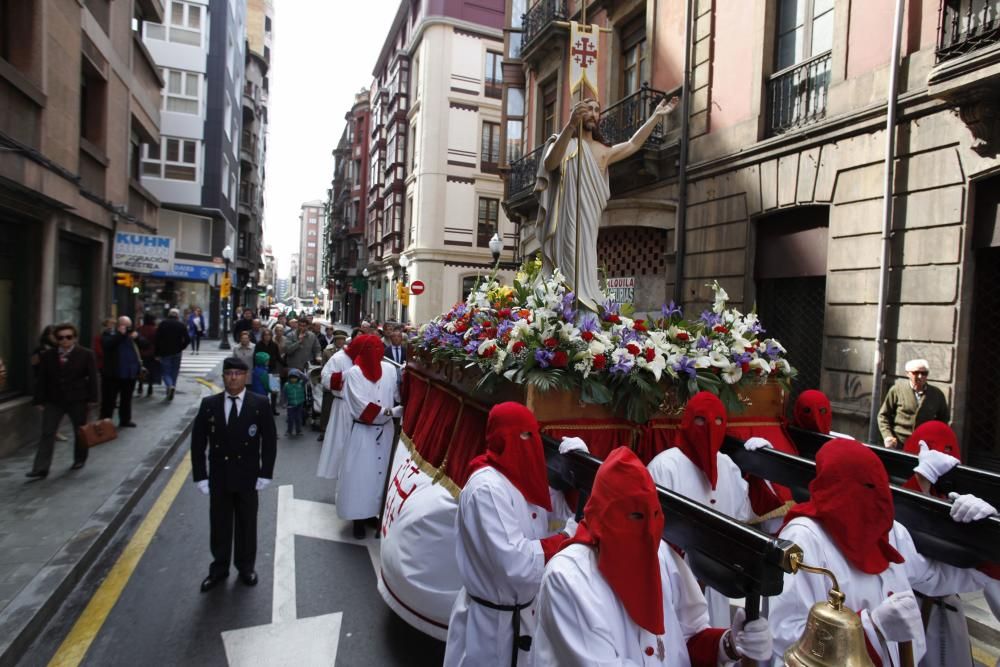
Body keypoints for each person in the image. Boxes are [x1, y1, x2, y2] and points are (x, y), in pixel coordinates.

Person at [534, 447, 773, 666]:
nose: (649, 531)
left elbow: (690, 638)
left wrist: (730, 643)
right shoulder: (568, 578)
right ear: (604, 515)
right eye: (636, 516)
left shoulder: (662, 556)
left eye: (655, 514)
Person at [769, 438, 997, 666]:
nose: (878, 497)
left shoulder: (888, 529)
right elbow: (785, 633)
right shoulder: (804, 539)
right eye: (867, 486)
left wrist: (988, 539)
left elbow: (933, 577)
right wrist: (871, 628)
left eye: (880, 485)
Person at [443, 402, 580, 667]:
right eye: (525, 435)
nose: (532, 442)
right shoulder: (487, 489)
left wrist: (576, 472)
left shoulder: (518, 475)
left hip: (524, 616)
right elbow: (515, 563)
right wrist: (567, 537)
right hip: (491, 626)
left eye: (534, 434)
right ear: (503, 439)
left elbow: (558, 508)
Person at [536, 94, 679, 311]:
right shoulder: (564, 143)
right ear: (577, 112)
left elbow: (633, 144)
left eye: (597, 110)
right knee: (569, 260)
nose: (593, 114)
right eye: (588, 108)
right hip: (568, 218)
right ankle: (566, 309)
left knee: (587, 259)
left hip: (590, 220)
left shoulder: (603, 151)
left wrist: (655, 118)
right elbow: (550, 162)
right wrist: (570, 125)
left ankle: (586, 307)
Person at [646, 391, 754, 625]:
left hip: (718, 579)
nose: (709, 429)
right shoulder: (664, 467)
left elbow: (741, 516)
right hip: (676, 580)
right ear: (687, 422)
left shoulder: (728, 467)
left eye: (717, 422)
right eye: (700, 421)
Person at [191, 357, 276, 592]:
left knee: (247, 524)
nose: (234, 378)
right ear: (223, 377)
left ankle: (246, 566)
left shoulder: (259, 403)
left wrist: (265, 472)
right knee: (220, 524)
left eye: (238, 373)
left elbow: (268, 442)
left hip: (248, 476)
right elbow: (198, 443)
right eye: (229, 373)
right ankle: (219, 568)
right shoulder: (210, 404)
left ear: (246, 377)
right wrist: (200, 476)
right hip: (219, 476)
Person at [336, 334, 400, 539]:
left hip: (386, 433)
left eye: (378, 348)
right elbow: (361, 407)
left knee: (381, 475)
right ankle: (357, 518)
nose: (376, 353)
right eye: (370, 349)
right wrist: (390, 412)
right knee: (360, 476)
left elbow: (398, 394)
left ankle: (374, 512)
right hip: (363, 432)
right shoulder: (354, 374)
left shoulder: (390, 370)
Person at [27, 323, 99, 479]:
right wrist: (39, 400)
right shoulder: (48, 356)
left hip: (78, 399)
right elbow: (42, 379)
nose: (65, 340)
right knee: (47, 433)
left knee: (79, 431)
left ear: (75, 338)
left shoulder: (86, 354)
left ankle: (79, 459)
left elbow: (93, 378)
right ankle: (40, 468)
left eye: (68, 337)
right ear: (56, 339)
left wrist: (93, 398)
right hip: (54, 400)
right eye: (61, 338)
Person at [878, 358, 950, 449]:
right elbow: (883, 416)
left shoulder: (936, 394)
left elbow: (943, 420)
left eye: (924, 373)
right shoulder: (897, 390)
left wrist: (936, 440)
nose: (920, 376)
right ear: (907, 373)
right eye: (916, 373)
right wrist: (887, 436)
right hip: (899, 444)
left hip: (924, 446)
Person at [316, 335, 356, 485]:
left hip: (358, 407)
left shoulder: (366, 358)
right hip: (342, 405)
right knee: (340, 441)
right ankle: (339, 471)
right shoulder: (339, 358)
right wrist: (347, 375)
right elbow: (326, 378)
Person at [101, 316, 143, 428]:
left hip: (130, 373)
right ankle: (105, 421)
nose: (127, 328)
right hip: (114, 373)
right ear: (119, 325)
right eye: (124, 325)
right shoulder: (110, 334)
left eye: (128, 325)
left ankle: (125, 420)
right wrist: (120, 334)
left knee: (127, 398)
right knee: (109, 399)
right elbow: (107, 345)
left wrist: (137, 337)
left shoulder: (132, 335)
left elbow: (145, 344)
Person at [155, 308, 189, 400]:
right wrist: (181, 347)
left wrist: (157, 352)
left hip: (165, 351)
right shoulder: (181, 325)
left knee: (166, 371)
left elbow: (157, 339)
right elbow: (187, 339)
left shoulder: (163, 324)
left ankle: (169, 386)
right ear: (177, 316)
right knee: (174, 371)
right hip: (177, 351)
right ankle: (172, 386)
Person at [253, 328, 282, 414]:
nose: (267, 337)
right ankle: (260, 409)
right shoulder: (258, 345)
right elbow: (255, 357)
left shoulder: (274, 345)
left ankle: (273, 409)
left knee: (274, 390)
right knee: (261, 390)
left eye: (269, 335)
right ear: (263, 336)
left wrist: (285, 365)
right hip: (262, 369)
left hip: (273, 369)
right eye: (265, 335)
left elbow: (278, 357)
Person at [136, 314, 160, 398]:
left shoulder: (140, 329)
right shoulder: (155, 330)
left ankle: (140, 386)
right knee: (151, 370)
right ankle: (150, 387)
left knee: (141, 369)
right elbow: (157, 342)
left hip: (141, 353)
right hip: (151, 353)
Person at [282, 369, 306, 436]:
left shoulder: (301, 383)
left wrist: (300, 373)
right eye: (291, 377)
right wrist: (284, 403)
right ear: (289, 378)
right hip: (290, 404)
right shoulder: (286, 385)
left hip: (299, 404)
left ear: (298, 377)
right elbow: (283, 395)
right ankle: (289, 431)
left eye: (295, 377)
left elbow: (306, 379)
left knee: (298, 418)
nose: (293, 379)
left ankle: (298, 431)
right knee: (290, 419)